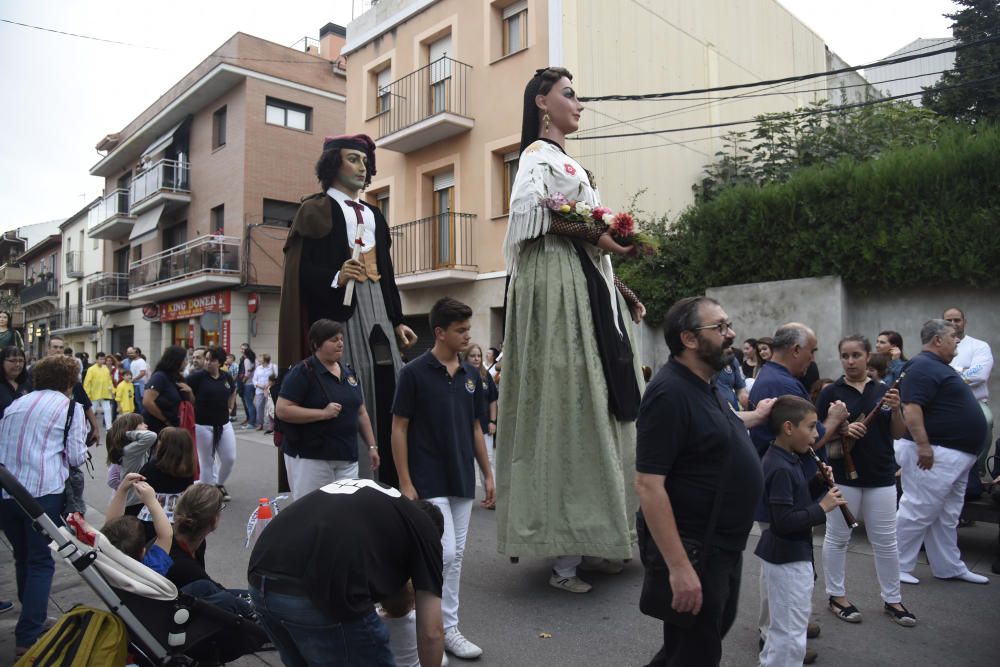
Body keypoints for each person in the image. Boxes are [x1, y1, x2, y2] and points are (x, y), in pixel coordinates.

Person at [497, 66, 645, 591]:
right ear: (542, 102)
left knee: (603, 406)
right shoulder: (536, 157)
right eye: (569, 94)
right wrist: (599, 235)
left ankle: (603, 537)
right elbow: (533, 214)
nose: (578, 104)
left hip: (585, 283)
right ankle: (563, 559)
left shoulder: (569, 162)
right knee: (568, 405)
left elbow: (586, 237)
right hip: (557, 286)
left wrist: (620, 286)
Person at [635, 296, 773, 666]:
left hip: (722, 546)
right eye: (721, 327)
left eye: (728, 325)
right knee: (697, 651)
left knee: (693, 644)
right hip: (697, 550)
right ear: (690, 339)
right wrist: (680, 568)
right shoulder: (668, 393)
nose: (731, 334)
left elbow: (714, 429)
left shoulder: (707, 383)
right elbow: (649, 485)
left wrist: (756, 416)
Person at [278, 134, 416, 487]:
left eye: (365, 160)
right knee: (352, 390)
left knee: (391, 384)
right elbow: (301, 273)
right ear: (332, 164)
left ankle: (395, 476)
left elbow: (388, 274)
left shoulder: (374, 215)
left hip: (380, 313)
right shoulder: (315, 210)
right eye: (353, 158)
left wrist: (397, 320)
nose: (361, 166)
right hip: (340, 314)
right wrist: (337, 275)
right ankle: (353, 480)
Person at [248, 479, 446, 667]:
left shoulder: (375, 499)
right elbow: (431, 633)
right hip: (317, 594)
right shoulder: (425, 531)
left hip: (260, 580)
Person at [392, 298, 494, 660]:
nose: (468, 336)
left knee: (458, 555)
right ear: (440, 332)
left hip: (461, 478)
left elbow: (476, 427)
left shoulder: (471, 376)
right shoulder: (414, 373)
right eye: (461, 330)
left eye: (468, 329)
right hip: (426, 479)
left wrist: (487, 473)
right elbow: (399, 427)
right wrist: (405, 479)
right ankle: (423, 621)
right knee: (444, 553)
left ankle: (448, 627)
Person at [748, 323, 847, 661]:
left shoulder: (786, 458)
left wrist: (817, 484)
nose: (813, 358)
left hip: (792, 503)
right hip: (786, 538)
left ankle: (786, 630)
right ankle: (778, 636)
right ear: (795, 349)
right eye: (812, 350)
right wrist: (832, 423)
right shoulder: (779, 383)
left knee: (785, 600)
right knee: (781, 597)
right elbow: (786, 521)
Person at [816, 335, 917, 627]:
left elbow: (897, 432)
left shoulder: (884, 390)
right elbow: (818, 435)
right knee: (837, 538)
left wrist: (896, 408)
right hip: (843, 475)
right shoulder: (830, 392)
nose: (850, 361)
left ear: (867, 356)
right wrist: (842, 429)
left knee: (886, 542)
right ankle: (837, 596)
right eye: (845, 356)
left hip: (882, 475)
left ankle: (893, 600)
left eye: (856, 355)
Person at [0, 355, 88, 655]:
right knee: (40, 560)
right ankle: (29, 633)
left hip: (7, 493)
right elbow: (76, 457)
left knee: (23, 557)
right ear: (69, 381)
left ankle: (32, 615)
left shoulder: (17, 404)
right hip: (43, 492)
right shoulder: (70, 408)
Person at [895, 318, 990, 585]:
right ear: (937, 340)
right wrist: (923, 445)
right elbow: (912, 407)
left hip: (953, 454)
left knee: (947, 514)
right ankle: (896, 566)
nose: (956, 342)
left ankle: (948, 566)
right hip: (934, 452)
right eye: (952, 337)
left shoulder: (936, 366)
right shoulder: (923, 366)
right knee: (918, 509)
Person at [277, 319, 380, 500]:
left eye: (341, 339)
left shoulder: (348, 372)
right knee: (312, 509)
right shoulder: (303, 372)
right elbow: (283, 410)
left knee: (345, 509)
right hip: (312, 457)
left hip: (347, 456)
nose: (340, 343)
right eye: (333, 340)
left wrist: (372, 446)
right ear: (316, 344)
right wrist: (323, 414)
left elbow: (360, 411)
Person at [943, 307, 994, 477]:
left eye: (956, 320)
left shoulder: (979, 346)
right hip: (945, 403)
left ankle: (978, 469)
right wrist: (963, 370)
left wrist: (950, 372)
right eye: (948, 320)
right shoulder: (939, 347)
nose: (953, 324)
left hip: (975, 402)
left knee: (986, 421)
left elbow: (979, 374)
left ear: (964, 322)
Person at [186, 347, 237, 502]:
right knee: (207, 461)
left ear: (220, 362)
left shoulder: (226, 377)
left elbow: (233, 391)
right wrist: (188, 392)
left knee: (229, 458)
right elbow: (187, 395)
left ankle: (219, 484)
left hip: (224, 424)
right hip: (202, 425)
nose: (208, 363)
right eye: (206, 359)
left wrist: (230, 407)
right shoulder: (196, 378)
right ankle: (208, 494)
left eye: (212, 360)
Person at [102, 473, 174, 576]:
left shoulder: (104, 557)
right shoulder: (152, 568)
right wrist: (152, 500)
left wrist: (122, 489)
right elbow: (166, 535)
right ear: (143, 551)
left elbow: (109, 524)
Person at [137, 427, 197, 525]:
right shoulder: (188, 469)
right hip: (179, 515)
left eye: (160, 440)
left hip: (152, 516)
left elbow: (140, 488)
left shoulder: (152, 467)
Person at [466, 343, 498, 502]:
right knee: (466, 463)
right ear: (466, 357)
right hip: (465, 428)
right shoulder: (462, 374)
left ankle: (491, 496)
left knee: (487, 461)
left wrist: (493, 421)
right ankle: (465, 497)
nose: (476, 358)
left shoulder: (486, 376)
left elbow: (493, 400)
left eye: (478, 355)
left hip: (485, 427)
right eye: (472, 355)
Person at [104, 413, 157, 503]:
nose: (146, 425)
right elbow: (151, 436)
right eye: (141, 423)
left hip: (134, 499)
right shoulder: (129, 450)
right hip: (132, 501)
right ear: (131, 428)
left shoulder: (135, 447)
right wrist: (126, 433)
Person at [142, 345, 194, 435]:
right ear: (176, 360)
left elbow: (191, 403)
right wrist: (165, 420)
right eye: (184, 359)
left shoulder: (178, 378)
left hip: (175, 426)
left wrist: (190, 392)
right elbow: (147, 402)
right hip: (157, 428)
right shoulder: (160, 376)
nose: (186, 363)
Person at [83, 351, 115, 431]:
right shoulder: (91, 369)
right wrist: (87, 394)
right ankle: (87, 428)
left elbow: (109, 381)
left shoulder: (106, 369)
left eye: (103, 359)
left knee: (107, 410)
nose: (102, 361)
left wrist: (113, 391)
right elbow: (87, 382)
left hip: (105, 394)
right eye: (100, 359)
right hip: (94, 394)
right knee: (91, 412)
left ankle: (109, 428)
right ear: (96, 359)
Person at [0, 345, 31, 419]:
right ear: (2, 362)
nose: (17, 364)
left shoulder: (27, 384)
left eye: (21, 361)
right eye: (12, 361)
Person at [251, 352, 277, 430]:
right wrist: (258, 385)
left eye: (260, 358)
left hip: (270, 389)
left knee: (270, 407)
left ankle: (271, 424)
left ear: (265, 359)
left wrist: (269, 385)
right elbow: (254, 379)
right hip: (259, 390)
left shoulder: (273, 366)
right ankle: (259, 424)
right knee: (259, 407)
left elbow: (276, 377)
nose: (259, 359)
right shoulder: (258, 368)